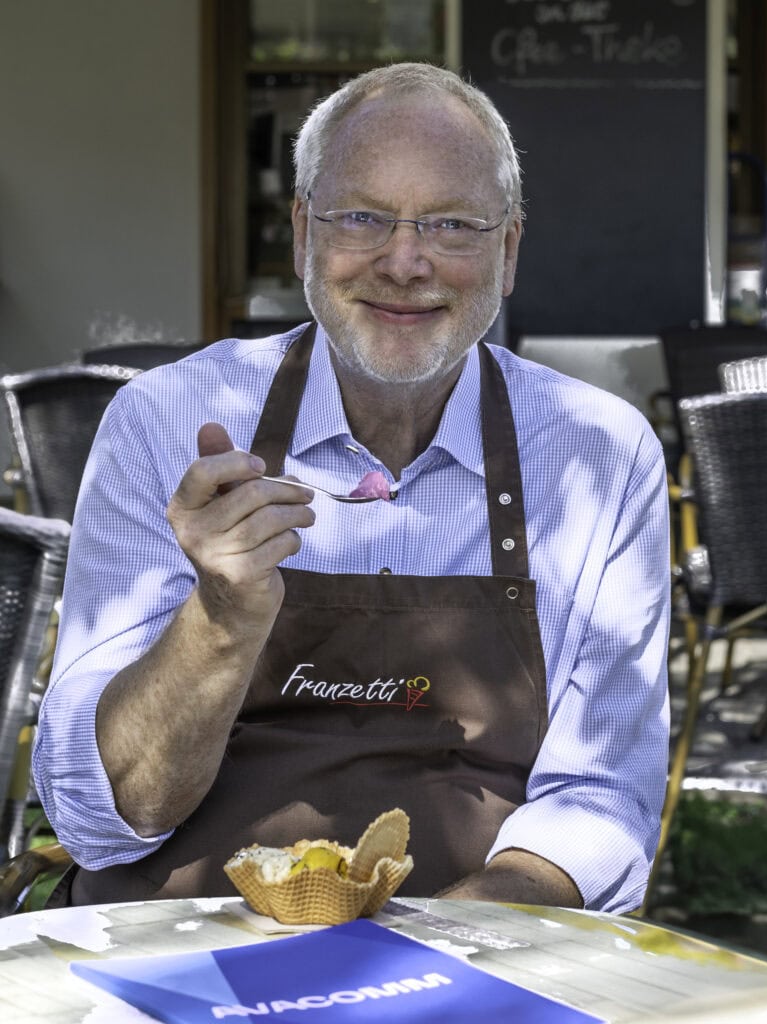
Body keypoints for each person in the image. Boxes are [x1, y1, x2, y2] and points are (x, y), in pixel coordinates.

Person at [33, 62, 670, 913]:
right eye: (363, 217)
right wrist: (218, 622)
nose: (405, 262)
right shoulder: (164, 421)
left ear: (508, 249)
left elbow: (600, 794)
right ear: (302, 233)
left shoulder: (598, 452)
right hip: (180, 940)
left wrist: (431, 954)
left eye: (450, 224)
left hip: (475, 944)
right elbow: (101, 821)